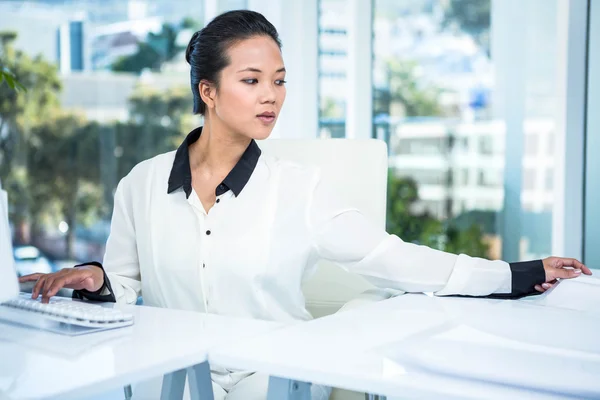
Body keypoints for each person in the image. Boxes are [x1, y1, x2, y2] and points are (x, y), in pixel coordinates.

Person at [19, 9, 592, 400]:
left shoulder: (300, 188)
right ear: (208, 92)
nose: (272, 95)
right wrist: (91, 276)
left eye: (279, 80)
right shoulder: (140, 185)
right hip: (175, 383)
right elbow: (124, 283)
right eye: (251, 80)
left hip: (275, 382)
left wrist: (519, 273)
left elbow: (401, 262)